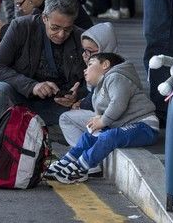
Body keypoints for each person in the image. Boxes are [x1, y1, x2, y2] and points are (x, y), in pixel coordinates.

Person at [46, 52, 159, 184]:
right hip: (126, 126)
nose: (85, 69)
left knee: (108, 136)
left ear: (105, 64)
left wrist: (103, 121)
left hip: (145, 126)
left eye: (90, 64)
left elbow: (118, 103)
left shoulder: (116, 77)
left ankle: (81, 168)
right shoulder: (99, 89)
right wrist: (98, 121)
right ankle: (68, 160)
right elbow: (100, 110)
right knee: (90, 133)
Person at [0, 0, 87, 134]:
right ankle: (7, 145)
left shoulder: (81, 38)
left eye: (67, 29)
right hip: (20, 98)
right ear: (44, 18)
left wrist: (76, 95)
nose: (61, 34)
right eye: (55, 28)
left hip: (56, 106)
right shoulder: (20, 27)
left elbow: (95, 80)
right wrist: (32, 86)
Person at [59, 22, 119, 147]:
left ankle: (81, 155)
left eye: (90, 51)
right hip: (110, 118)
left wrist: (82, 104)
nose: (84, 55)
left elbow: (102, 99)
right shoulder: (115, 65)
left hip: (111, 119)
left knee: (65, 118)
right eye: (84, 51)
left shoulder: (109, 72)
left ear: (104, 49)